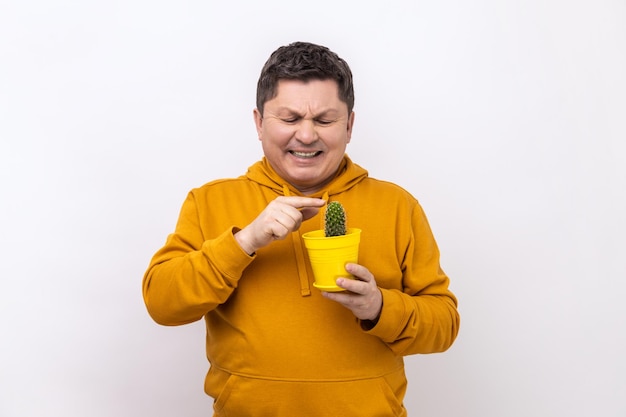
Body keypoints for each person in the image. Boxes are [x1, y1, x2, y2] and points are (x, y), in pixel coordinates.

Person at [143, 41, 460, 416]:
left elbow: (444, 324)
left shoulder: (398, 206)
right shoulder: (208, 201)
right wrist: (244, 241)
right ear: (260, 123)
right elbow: (162, 304)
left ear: (349, 125)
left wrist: (379, 307)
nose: (307, 136)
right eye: (290, 119)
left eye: (324, 120)